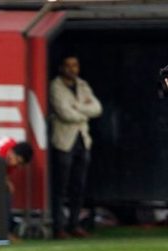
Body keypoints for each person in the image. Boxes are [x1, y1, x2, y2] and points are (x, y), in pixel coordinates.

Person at [49, 54, 102, 239]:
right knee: (60, 187)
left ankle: (74, 223)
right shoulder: (56, 86)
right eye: (69, 65)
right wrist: (84, 110)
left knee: (78, 186)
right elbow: (64, 113)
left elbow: (97, 108)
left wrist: (76, 107)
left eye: (75, 65)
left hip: (82, 140)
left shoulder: (82, 85)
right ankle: (59, 226)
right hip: (64, 141)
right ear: (61, 67)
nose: (72, 69)